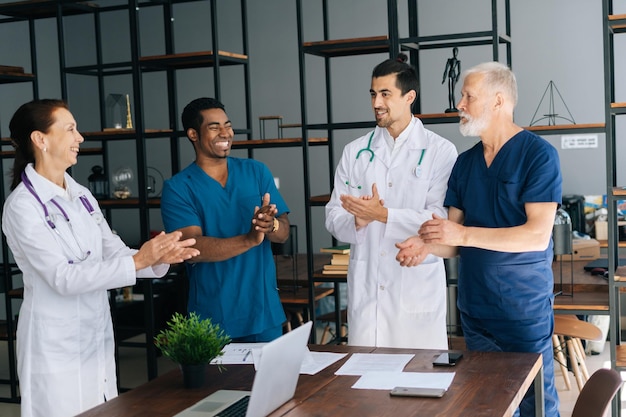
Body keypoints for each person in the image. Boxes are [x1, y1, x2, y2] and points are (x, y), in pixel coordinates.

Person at [1, 99, 200, 417]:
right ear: (41, 139)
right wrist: (138, 261)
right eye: (70, 129)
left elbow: (113, 251)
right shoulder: (22, 206)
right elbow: (62, 278)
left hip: (95, 332)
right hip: (53, 343)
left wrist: (160, 257)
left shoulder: (81, 194)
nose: (79, 137)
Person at [396, 62, 562, 417]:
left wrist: (461, 234)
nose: (460, 104)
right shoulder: (465, 163)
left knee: (535, 405)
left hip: (522, 311)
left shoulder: (538, 155)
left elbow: (536, 236)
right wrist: (425, 245)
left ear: (499, 101)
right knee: (488, 405)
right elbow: (452, 241)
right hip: (475, 313)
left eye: (469, 96)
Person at [325, 54, 458, 349]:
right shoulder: (355, 152)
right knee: (366, 387)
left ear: (409, 96)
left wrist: (382, 214)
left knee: (421, 381)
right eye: (373, 94)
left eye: (386, 94)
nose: (376, 103)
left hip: (415, 289)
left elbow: (440, 218)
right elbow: (333, 215)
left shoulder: (440, 151)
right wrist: (357, 220)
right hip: (368, 292)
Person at [160, 97, 291, 343]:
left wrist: (270, 225)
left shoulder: (256, 171)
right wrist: (250, 239)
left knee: (273, 383)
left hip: (264, 314)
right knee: (219, 384)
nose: (225, 133)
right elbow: (192, 248)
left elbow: (283, 232)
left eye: (227, 125)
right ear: (193, 134)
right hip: (213, 321)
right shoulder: (178, 188)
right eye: (214, 127)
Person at [442, 47, 461, 112]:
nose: (455, 53)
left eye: (456, 52)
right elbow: (446, 70)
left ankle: (453, 106)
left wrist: (457, 79)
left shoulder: (458, 62)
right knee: (450, 92)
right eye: (454, 51)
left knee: (452, 92)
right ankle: (451, 106)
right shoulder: (449, 60)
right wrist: (444, 78)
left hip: (453, 76)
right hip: (450, 75)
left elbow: (459, 72)